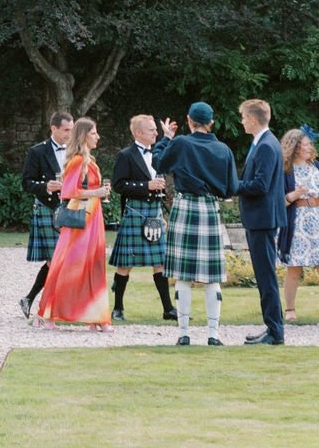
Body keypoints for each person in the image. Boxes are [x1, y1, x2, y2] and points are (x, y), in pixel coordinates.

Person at [155, 101, 236, 346]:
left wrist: (166, 138)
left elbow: (158, 164)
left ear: (189, 120)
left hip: (185, 206)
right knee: (212, 276)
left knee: (183, 275)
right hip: (210, 209)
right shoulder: (223, 149)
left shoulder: (180, 143)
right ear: (211, 123)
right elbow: (231, 187)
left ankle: (184, 333)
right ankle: (213, 334)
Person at [34, 118, 112, 328]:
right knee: (71, 266)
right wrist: (96, 192)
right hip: (80, 218)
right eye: (94, 133)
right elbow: (68, 191)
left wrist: (99, 194)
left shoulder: (90, 161)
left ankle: (96, 318)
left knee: (94, 265)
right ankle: (49, 314)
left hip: (93, 216)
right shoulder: (78, 161)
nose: (98, 137)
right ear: (84, 135)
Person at [108, 113, 176, 324]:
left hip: (154, 211)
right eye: (151, 130)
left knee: (160, 263)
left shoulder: (156, 153)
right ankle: (118, 308)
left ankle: (168, 309)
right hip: (135, 212)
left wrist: (168, 137)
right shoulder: (125, 155)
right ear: (138, 133)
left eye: (156, 130)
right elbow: (119, 185)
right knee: (125, 264)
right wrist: (146, 186)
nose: (155, 132)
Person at [234, 99, 288, 345]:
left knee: (266, 276)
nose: (242, 121)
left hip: (262, 219)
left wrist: (233, 186)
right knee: (264, 274)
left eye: (244, 117)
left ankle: (275, 331)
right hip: (262, 218)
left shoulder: (266, 145)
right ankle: (272, 327)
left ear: (254, 119)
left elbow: (260, 185)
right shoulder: (264, 142)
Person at [279, 129, 319, 327]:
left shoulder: (315, 166)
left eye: (309, 144)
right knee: (294, 269)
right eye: (306, 144)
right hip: (296, 221)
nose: (310, 148)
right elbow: (278, 202)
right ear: (295, 147)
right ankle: (289, 309)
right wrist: (294, 195)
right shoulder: (285, 170)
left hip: (318, 220)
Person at [19, 112, 73, 317]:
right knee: (56, 260)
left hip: (70, 209)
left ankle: (31, 299)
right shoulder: (38, 151)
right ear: (54, 128)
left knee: (62, 259)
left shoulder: (76, 151)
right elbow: (26, 182)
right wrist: (46, 186)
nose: (70, 133)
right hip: (47, 207)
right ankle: (51, 305)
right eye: (66, 130)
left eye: (71, 129)